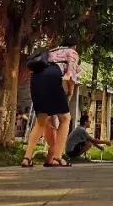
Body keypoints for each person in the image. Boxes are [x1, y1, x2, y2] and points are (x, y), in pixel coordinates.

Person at [21, 37, 80, 167]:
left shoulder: (51, 52)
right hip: (52, 79)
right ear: (74, 46)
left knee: (41, 121)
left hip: (36, 80)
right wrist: (69, 92)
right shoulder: (72, 52)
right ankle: (57, 157)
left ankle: (27, 158)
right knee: (65, 118)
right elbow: (70, 76)